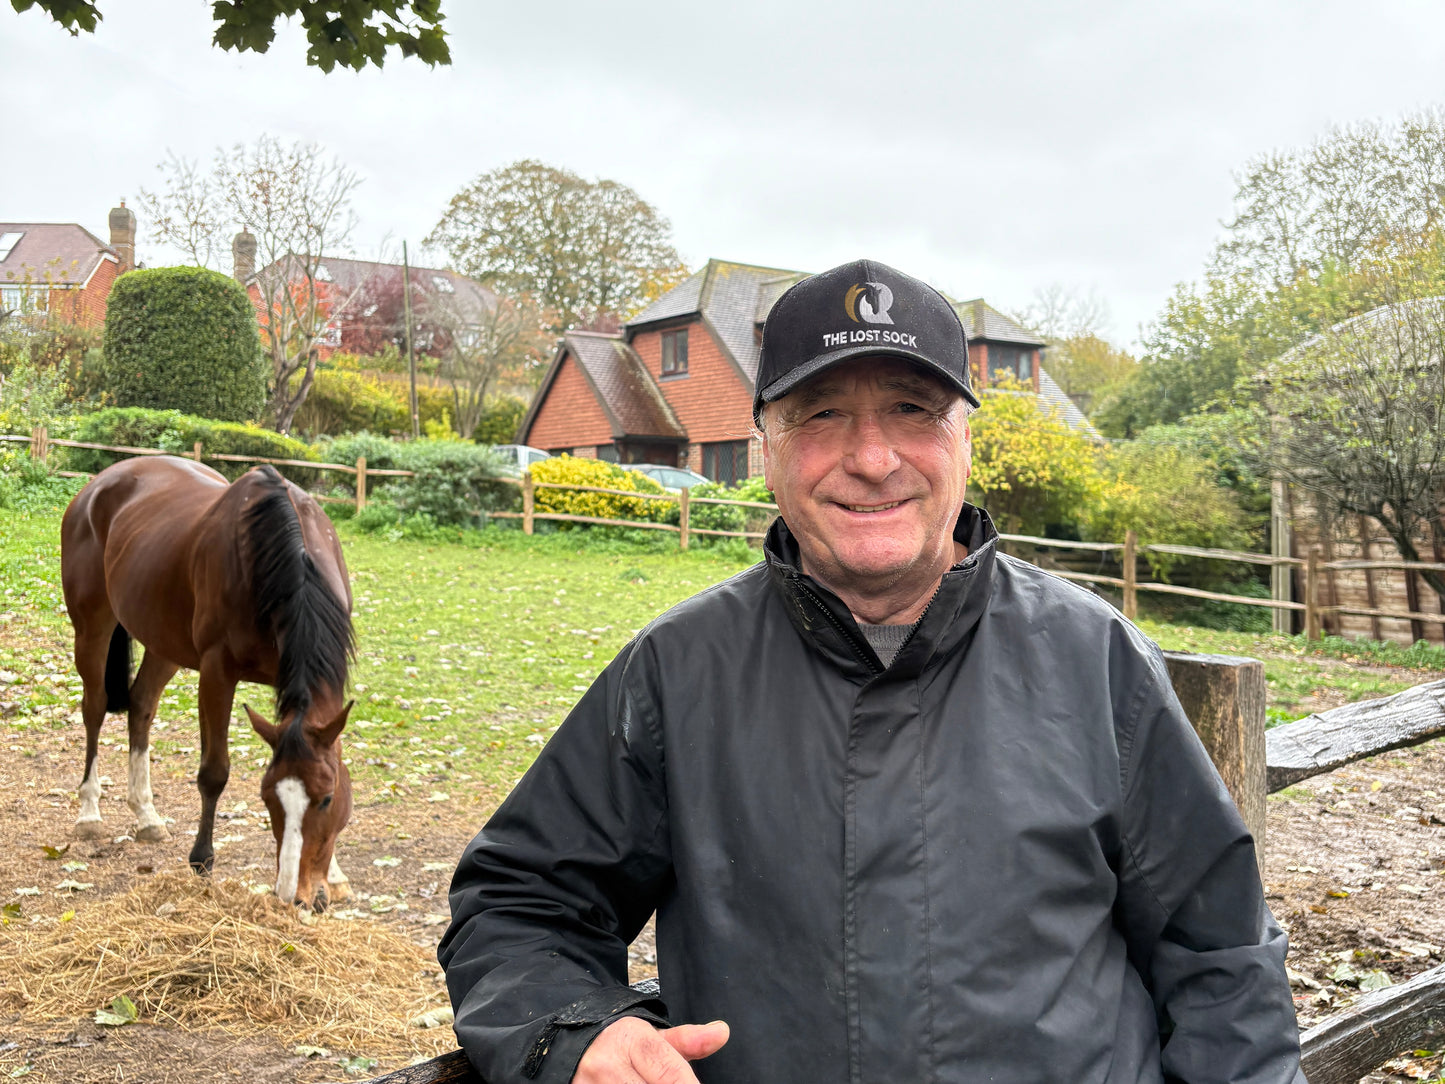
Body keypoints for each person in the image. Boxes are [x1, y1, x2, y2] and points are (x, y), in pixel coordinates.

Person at [439, 259, 1306, 1084]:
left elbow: (1220, 956)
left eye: (911, 410)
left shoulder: (1096, 660)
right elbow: (519, 906)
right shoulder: (678, 671)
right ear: (766, 443)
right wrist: (576, 1027)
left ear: (965, 438)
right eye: (820, 415)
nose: (872, 458)